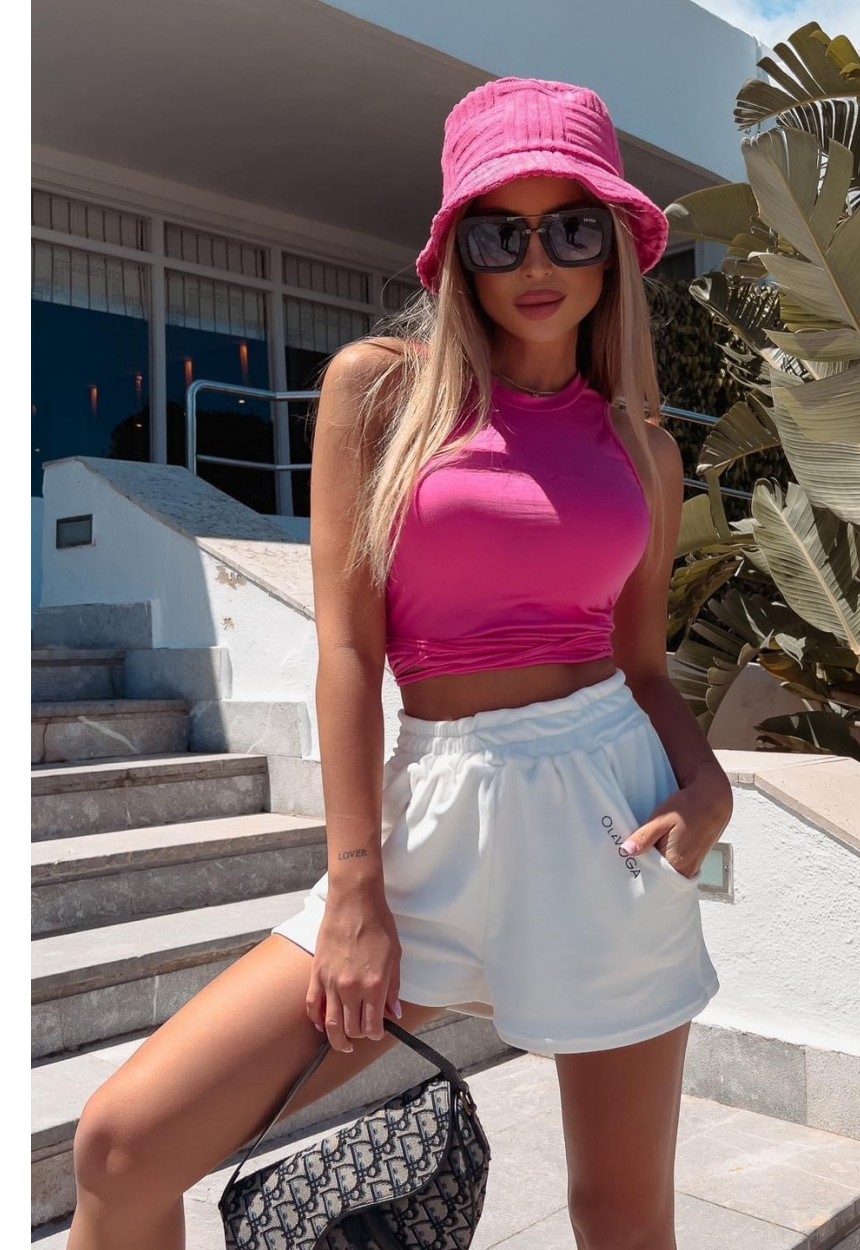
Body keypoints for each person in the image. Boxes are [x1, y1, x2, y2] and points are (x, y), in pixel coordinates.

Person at [68, 77, 733, 1250]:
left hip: (605, 823)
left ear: (616, 244)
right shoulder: (382, 390)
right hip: (427, 819)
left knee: (622, 1216)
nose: (538, 260)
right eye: (499, 232)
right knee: (123, 1145)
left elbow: (639, 663)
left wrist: (708, 782)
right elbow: (347, 648)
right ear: (456, 252)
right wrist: (354, 888)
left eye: (571, 228)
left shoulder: (643, 449)